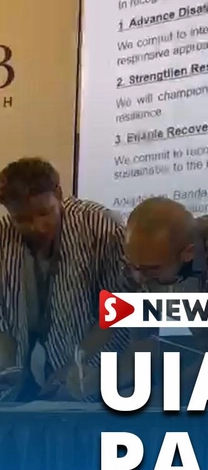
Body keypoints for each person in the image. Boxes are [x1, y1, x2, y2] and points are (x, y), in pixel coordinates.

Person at [0, 158, 132, 401]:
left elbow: (122, 306)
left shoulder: (100, 226)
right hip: (29, 377)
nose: (37, 227)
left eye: (44, 213)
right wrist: (7, 370)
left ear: (59, 194)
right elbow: (3, 320)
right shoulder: (3, 235)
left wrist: (78, 362)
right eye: (22, 219)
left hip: (97, 370)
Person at [115, 197, 208, 395]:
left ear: (188, 253)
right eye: (133, 266)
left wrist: (176, 390)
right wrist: (105, 379)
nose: (139, 277)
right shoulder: (139, 265)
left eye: (152, 268)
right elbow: (144, 343)